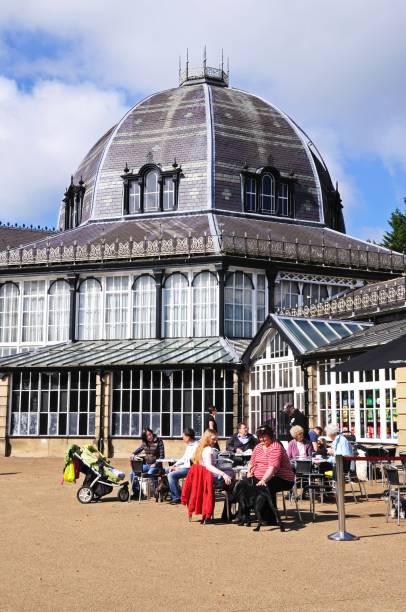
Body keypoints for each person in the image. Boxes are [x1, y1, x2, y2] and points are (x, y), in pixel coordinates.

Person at [247, 424, 295, 524]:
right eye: (260, 437)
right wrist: (249, 473)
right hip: (260, 476)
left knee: (266, 486)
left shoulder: (276, 447)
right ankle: (244, 515)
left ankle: (270, 518)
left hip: (282, 478)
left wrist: (263, 480)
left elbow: (272, 468)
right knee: (243, 485)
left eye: (264, 436)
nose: (262, 439)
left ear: (271, 436)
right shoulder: (258, 447)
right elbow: (252, 462)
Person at [166, 427, 198, 505]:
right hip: (186, 467)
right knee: (167, 470)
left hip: (190, 469)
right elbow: (184, 458)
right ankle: (177, 493)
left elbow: (190, 463)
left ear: (188, 437)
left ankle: (176, 497)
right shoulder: (189, 445)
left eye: (183, 436)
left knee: (171, 475)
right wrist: (175, 465)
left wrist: (178, 468)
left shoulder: (196, 446)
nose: (182, 438)